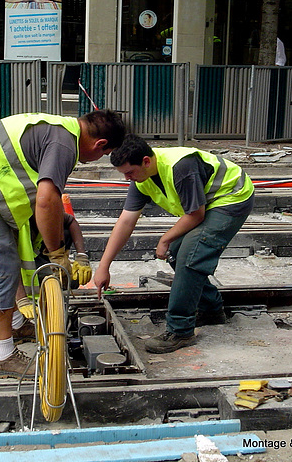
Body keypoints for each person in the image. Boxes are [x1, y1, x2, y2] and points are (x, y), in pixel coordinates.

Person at [0, 110, 125, 379]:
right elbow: (47, 201)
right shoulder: (64, 144)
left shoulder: (59, 128)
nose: (98, 158)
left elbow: (53, 209)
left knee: (6, 257)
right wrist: (58, 254)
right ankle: (3, 356)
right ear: (100, 144)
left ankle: (15, 324)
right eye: (103, 154)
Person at [93, 135, 255, 354]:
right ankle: (211, 310)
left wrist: (165, 238)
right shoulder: (142, 179)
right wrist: (104, 266)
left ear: (146, 161)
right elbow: (125, 222)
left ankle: (180, 330)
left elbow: (196, 215)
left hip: (231, 196)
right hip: (207, 202)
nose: (127, 179)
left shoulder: (181, 167)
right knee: (179, 252)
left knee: (191, 255)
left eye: (129, 173)